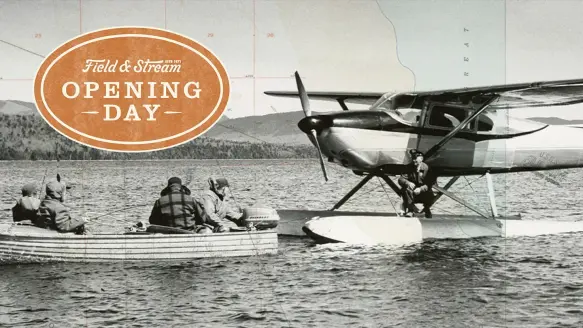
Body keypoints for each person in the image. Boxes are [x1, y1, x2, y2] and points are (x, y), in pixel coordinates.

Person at [397, 150, 435, 218]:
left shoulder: (427, 168)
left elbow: (430, 183)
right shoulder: (409, 167)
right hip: (412, 191)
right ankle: (410, 211)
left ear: (421, 159)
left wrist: (421, 189)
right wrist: (408, 183)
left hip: (423, 191)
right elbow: (400, 179)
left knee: (430, 194)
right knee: (406, 189)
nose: (414, 161)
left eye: (416, 159)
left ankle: (427, 209)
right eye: (413, 159)